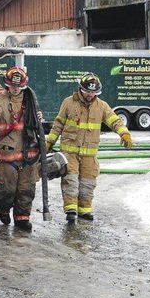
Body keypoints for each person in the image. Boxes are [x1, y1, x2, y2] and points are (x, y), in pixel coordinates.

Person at [46, 72, 133, 223]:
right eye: (87, 92)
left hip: (89, 156)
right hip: (70, 153)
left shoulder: (101, 106)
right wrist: (49, 142)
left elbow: (115, 121)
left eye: (93, 93)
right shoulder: (68, 103)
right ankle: (71, 210)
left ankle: (85, 210)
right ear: (80, 89)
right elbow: (58, 124)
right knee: (70, 181)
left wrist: (124, 134)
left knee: (87, 183)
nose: (90, 95)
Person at [0, 67, 41, 231]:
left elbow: (36, 117)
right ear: (7, 84)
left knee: (27, 189)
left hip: (29, 153)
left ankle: (22, 218)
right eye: (12, 85)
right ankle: (3, 210)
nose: (15, 88)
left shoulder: (30, 99)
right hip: (8, 155)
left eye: (18, 86)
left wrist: (39, 117)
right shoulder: (1, 99)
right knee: (6, 190)